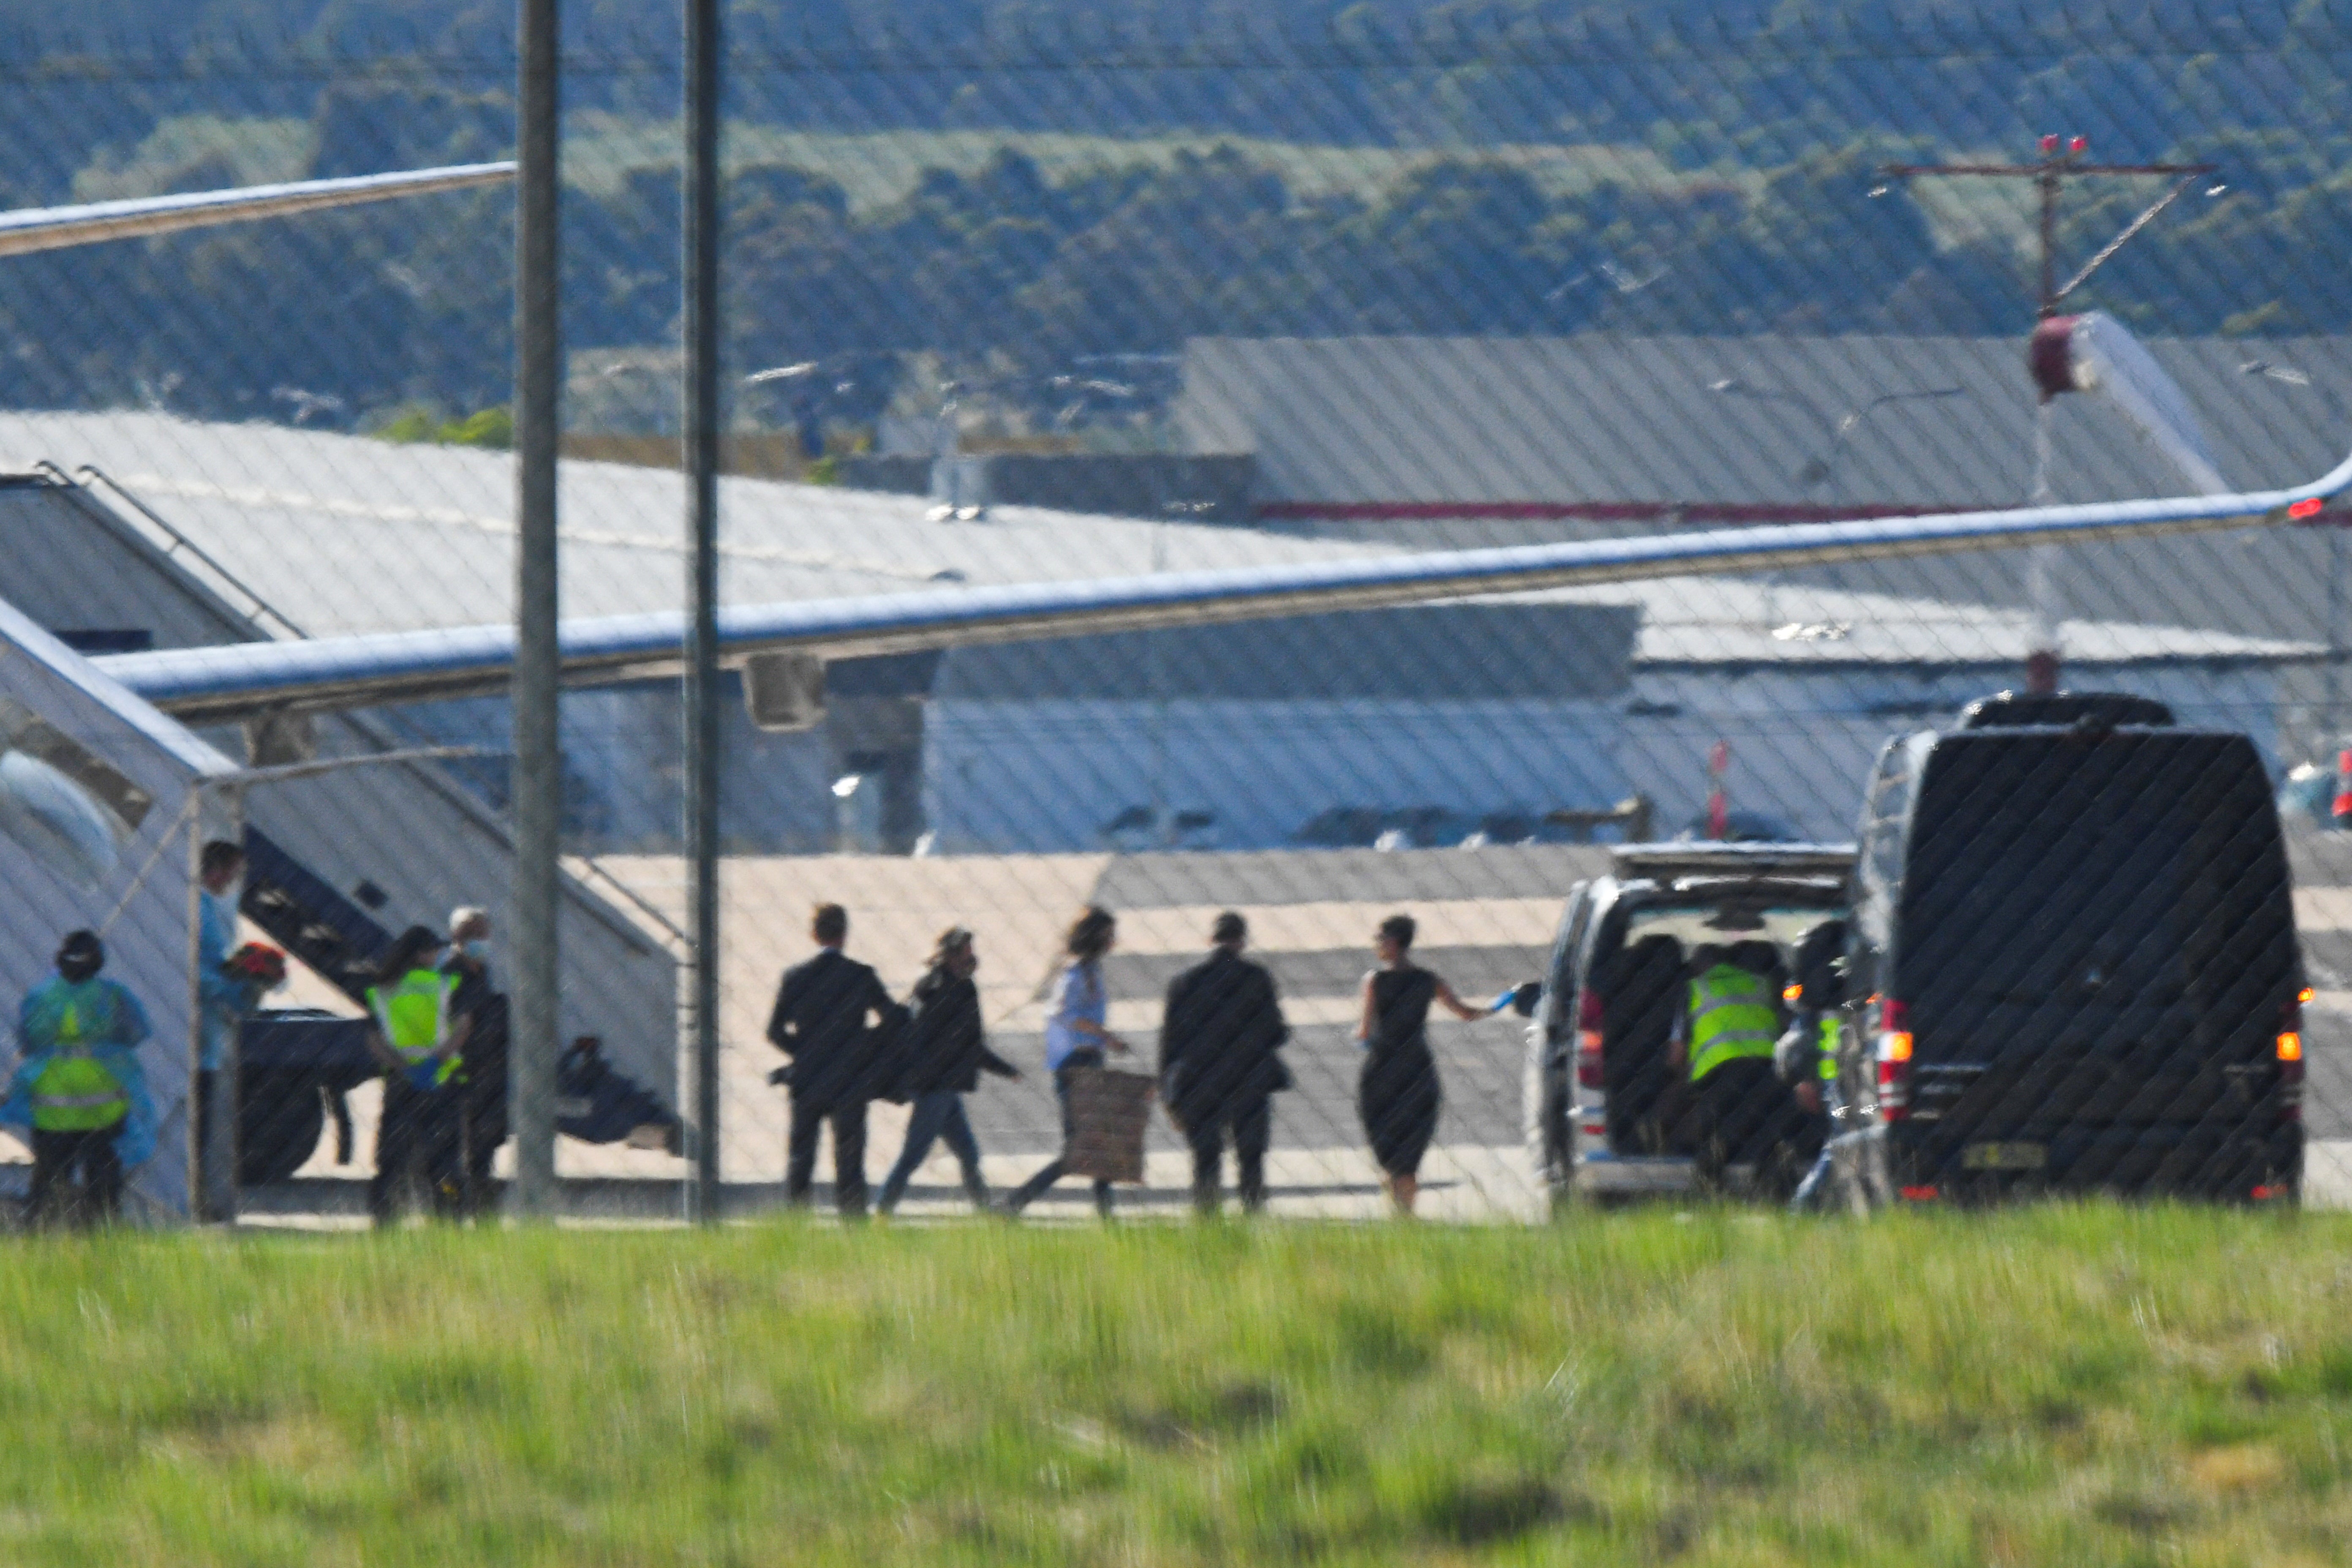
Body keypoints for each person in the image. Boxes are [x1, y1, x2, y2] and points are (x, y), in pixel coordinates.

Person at [0, 932, 154, 1227]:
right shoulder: (114, 996)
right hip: (104, 1105)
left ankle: (41, 1232)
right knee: (103, 1175)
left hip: (53, 1108)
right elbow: (138, 1032)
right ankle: (100, 1232)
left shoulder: (41, 996)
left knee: (50, 1177)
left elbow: (27, 1040)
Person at [767, 903, 903, 1218]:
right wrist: (865, 1044)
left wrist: (803, 1051)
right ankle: (853, 1228)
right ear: (845, 935)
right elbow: (894, 1020)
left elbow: (774, 1030)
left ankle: (795, 1225)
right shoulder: (861, 976)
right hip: (850, 1079)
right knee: (850, 1162)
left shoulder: (796, 977)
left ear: (813, 934)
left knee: (801, 1159)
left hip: (808, 1079)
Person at [877, 927, 1020, 1215]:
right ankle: (882, 1212)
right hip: (936, 1088)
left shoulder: (939, 985)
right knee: (913, 1157)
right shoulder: (948, 990)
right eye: (967, 951)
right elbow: (968, 1045)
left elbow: (964, 1044)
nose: (973, 957)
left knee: (968, 1153)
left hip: (945, 1086)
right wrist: (1004, 1070)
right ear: (953, 956)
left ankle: (985, 1212)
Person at [1356, 914, 1492, 1217]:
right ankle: (1406, 1210)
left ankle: (1395, 1208)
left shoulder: (1375, 981)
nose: (1377, 944)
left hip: (1382, 1067)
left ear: (1393, 942)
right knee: (1412, 1140)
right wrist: (1493, 1008)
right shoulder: (1427, 980)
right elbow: (1465, 1013)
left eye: (1380, 939)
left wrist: (1362, 1036)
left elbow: (1364, 1031)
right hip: (1416, 1066)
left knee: (1385, 1138)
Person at [1160, 911, 1290, 1214]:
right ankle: (1253, 1218)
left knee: (1206, 1160)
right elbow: (1276, 1030)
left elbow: (1170, 1043)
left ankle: (1208, 1225)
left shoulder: (1185, 982)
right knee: (1251, 1158)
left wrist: (1169, 1094)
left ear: (1211, 940)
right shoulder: (1256, 979)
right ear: (1242, 941)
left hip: (1199, 1081)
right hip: (1249, 1079)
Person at [1005, 906, 1130, 1218]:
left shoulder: (1091, 972)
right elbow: (1064, 1014)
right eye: (1109, 935)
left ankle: (1106, 1217)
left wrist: (1103, 1042)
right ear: (1097, 937)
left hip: (1090, 1061)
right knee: (1082, 1149)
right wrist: (1105, 1035)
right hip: (1076, 1065)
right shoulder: (1074, 974)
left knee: (1097, 1145)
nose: (1115, 941)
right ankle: (1014, 1204)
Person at [1669, 939, 1802, 1193]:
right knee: (1772, 1138)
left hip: (1718, 1075)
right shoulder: (1763, 984)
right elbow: (1788, 1028)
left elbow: (1676, 1055)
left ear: (1698, 967)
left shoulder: (1694, 989)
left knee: (1714, 1141)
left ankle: (1712, 1192)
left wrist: (1681, 1084)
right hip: (1769, 1071)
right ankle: (1776, 1188)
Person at [364, 924, 470, 1226]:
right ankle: (449, 1219)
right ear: (422, 954)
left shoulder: (383, 990)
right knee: (445, 1159)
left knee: (392, 1158)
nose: (439, 955)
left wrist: (403, 1067)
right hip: (441, 1081)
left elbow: (374, 1040)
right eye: (435, 950)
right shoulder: (446, 985)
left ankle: (385, 1221)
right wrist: (436, 1062)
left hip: (402, 1082)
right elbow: (463, 1027)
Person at [194, 838, 261, 1216]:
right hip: (198, 1034)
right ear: (216, 871)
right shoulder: (198, 909)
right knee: (199, 1125)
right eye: (232, 875)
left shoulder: (208, 908)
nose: (233, 883)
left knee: (204, 1125)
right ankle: (198, 1199)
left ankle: (202, 1197)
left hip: (206, 1034)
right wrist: (240, 986)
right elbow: (200, 972)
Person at [442, 907, 507, 1220]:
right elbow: (456, 1024)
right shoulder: (452, 972)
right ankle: (453, 1212)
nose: (479, 939)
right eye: (471, 933)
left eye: (482, 933)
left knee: (484, 1150)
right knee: (456, 1149)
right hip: (461, 1073)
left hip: (487, 1073)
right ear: (456, 936)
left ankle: (482, 1212)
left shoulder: (481, 971)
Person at [1779, 922, 1848, 1212]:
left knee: (1841, 1142)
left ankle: (1806, 1205)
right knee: (1840, 1143)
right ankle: (1803, 1205)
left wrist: (1805, 1079)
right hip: (1843, 1077)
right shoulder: (1848, 970)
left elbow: (1801, 1031)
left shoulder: (1812, 986)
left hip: (1834, 1077)